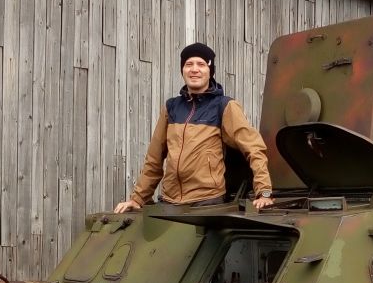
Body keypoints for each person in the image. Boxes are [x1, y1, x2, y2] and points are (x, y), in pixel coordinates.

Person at [114, 43, 274, 213]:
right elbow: (154, 159)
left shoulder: (225, 106)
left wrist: (264, 192)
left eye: (201, 64)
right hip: (170, 202)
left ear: (210, 71)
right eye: (188, 64)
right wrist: (137, 199)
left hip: (208, 204)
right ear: (182, 70)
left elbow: (254, 148)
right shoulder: (171, 107)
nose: (194, 69)